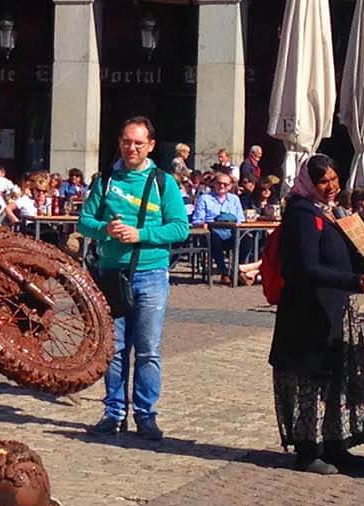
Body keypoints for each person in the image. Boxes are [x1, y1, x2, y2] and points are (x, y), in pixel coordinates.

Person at [78, 116, 188, 443]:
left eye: (139, 143)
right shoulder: (106, 180)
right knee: (113, 349)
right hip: (112, 275)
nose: (132, 148)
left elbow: (180, 227)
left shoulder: (162, 182)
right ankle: (114, 412)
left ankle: (145, 414)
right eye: (127, 141)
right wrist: (104, 229)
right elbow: (84, 222)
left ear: (151, 145)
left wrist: (140, 233)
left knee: (148, 350)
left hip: (151, 274)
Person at [271, 154, 364, 475]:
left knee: (339, 378)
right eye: (323, 181)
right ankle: (308, 450)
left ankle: (337, 445)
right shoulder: (301, 215)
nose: (331, 186)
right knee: (311, 381)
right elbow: (306, 267)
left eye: (334, 179)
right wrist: (352, 280)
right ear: (310, 183)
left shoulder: (332, 212)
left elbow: (342, 256)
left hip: (337, 309)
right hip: (308, 314)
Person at [191, 170, 245, 283]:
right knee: (213, 238)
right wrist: (204, 224)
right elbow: (197, 220)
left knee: (247, 239)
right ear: (214, 184)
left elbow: (241, 219)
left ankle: (238, 271)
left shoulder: (234, 199)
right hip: (211, 233)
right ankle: (224, 272)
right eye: (219, 183)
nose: (222, 186)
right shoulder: (204, 198)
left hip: (231, 233)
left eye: (225, 184)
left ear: (230, 186)